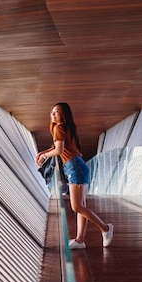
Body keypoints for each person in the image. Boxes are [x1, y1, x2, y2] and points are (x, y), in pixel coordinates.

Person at [35, 102, 113, 249]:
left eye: (56, 112)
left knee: (77, 206)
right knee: (81, 206)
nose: (53, 114)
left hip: (74, 167)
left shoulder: (59, 127)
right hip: (77, 165)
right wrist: (43, 153)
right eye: (52, 112)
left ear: (63, 115)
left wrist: (44, 155)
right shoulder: (64, 127)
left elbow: (58, 150)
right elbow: (59, 147)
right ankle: (80, 240)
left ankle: (105, 229)